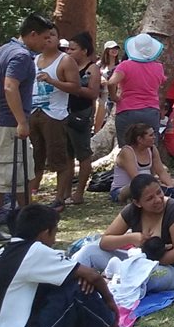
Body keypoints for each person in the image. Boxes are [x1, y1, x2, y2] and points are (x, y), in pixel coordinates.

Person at [0, 205, 118, 327]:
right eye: (55, 233)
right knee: (76, 287)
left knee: (67, 278)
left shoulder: (4, 251)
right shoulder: (34, 251)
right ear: (45, 233)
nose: (54, 240)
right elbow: (93, 276)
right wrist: (110, 302)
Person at [0, 13, 53, 243]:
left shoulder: (5, 50)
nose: (46, 43)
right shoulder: (20, 56)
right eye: (45, 37)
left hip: (5, 122)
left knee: (23, 174)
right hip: (6, 123)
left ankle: (29, 225)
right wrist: (21, 120)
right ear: (32, 35)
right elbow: (10, 87)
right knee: (1, 177)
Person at [74, 173, 174, 291]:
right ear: (137, 203)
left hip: (168, 269)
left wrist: (144, 264)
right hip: (134, 263)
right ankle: (74, 283)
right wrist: (131, 238)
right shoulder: (132, 211)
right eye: (149, 198)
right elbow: (104, 241)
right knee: (88, 251)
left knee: (147, 276)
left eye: (159, 192)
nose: (158, 200)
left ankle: (111, 281)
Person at [30, 26, 78, 208]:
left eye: (52, 35)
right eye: (45, 35)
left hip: (55, 115)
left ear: (58, 39)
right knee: (35, 157)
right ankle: (31, 195)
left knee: (58, 158)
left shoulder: (65, 60)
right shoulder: (35, 59)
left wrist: (52, 81)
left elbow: (75, 87)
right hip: (34, 113)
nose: (48, 38)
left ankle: (59, 198)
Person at [108, 32, 166, 151]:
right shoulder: (158, 67)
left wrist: (114, 97)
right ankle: (149, 169)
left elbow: (111, 82)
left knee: (127, 150)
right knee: (151, 150)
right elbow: (162, 81)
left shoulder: (125, 66)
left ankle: (129, 169)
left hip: (127, 111)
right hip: (151, 111)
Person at [61, 32, 101, 205]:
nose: (69, 52)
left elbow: (93, 93)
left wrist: (73, 88)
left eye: (73, 49)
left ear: (84, 51)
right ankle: (65, 192)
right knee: (66, 155)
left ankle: (79, 193)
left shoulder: (92, 69)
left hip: (81, 115)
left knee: (83, 155)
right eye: (68, 49)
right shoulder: (65, 65)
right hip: (63, 113)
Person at [110, 123, 174, 203]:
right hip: (124, 190)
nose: (154, 137)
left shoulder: (152, 149)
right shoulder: (127, 152)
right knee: (133, 187)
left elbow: (161, 172)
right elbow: (136, 179)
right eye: (151, 135)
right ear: (140, 139)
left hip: (146, 184)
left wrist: (170, 187)